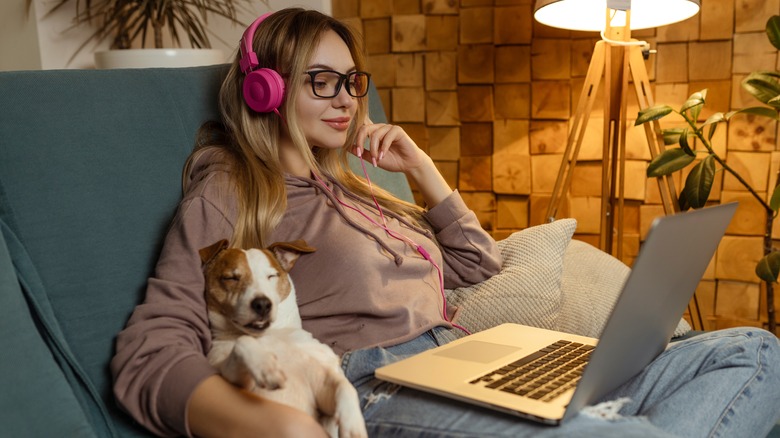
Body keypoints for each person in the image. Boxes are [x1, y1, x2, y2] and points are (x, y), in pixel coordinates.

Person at [111, 7, 780, 438]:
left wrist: (422, 173)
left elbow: (477, 270)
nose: (348, 99)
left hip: (465, 358)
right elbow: (153, 344)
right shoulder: (231, 187)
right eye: (322, 81)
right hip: (376, 385)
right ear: (268, 90)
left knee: (754, 350)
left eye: (353, 82)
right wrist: (271, 427)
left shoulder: (354, 184)